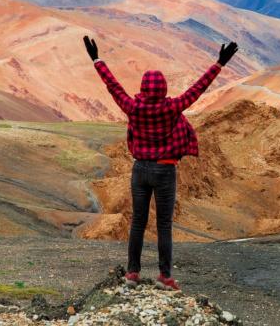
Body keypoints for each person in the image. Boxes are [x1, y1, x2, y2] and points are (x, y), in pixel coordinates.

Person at [83, 35, 238, 291]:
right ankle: (165, 277)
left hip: (140, 170)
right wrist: (219, 63)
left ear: (143, 88)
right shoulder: (172, 108)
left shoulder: (132, 107)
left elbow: (113, 86)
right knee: (164, 225)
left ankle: (132, 273)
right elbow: (197, 89)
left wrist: (96, 59)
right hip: (165, 169)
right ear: (164, 89)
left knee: (138, 223)